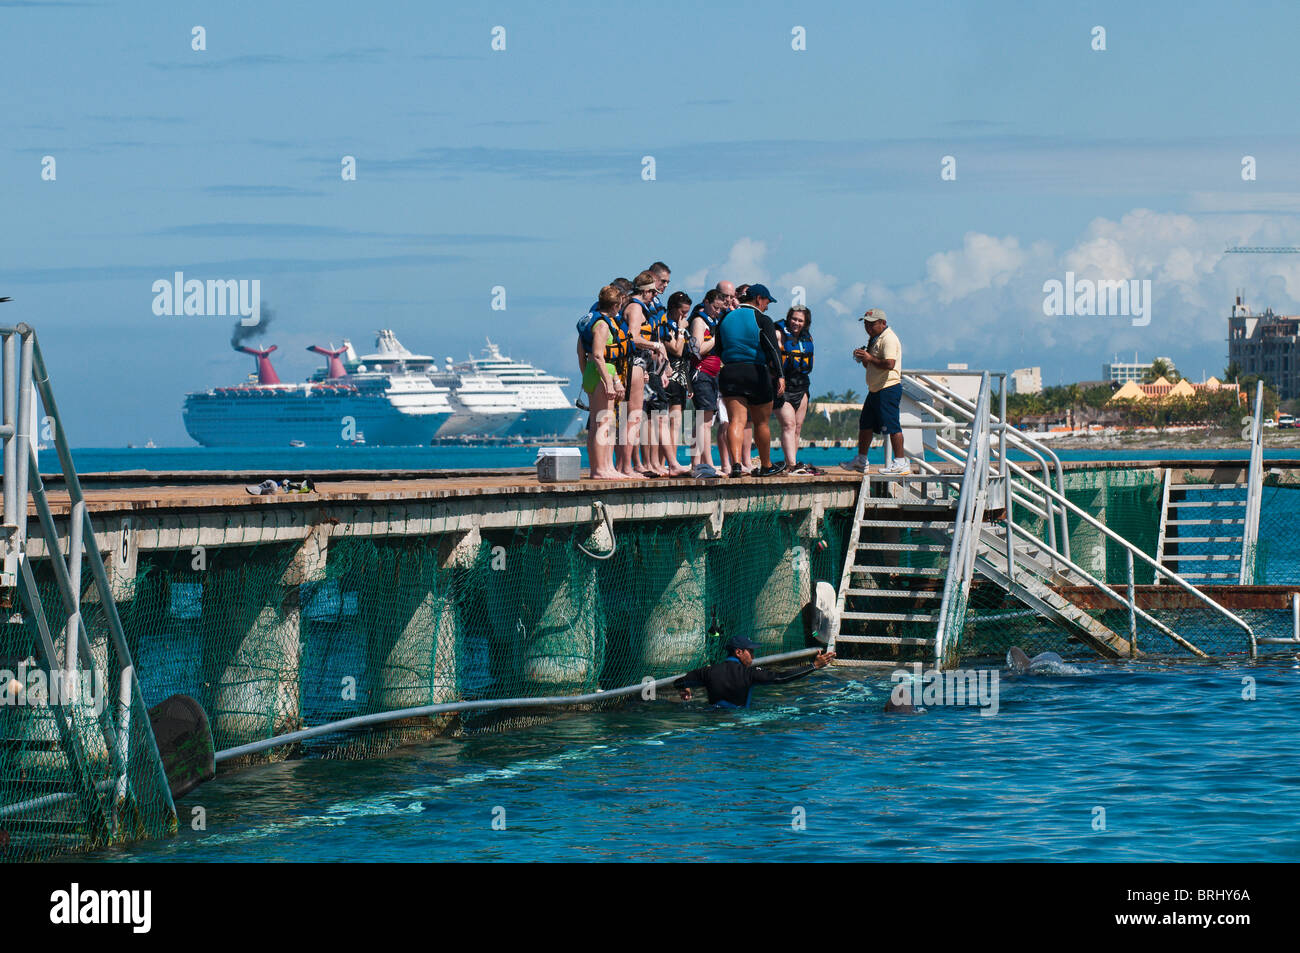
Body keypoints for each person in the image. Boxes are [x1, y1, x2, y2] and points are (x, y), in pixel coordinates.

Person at [714, 283, 786, 478]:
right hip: (756, 372)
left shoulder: (726, 318)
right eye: (767, 302)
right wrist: (780, 375)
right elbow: (773, 349)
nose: (768, 306)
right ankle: (766, 465)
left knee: (736, 420)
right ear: (758, 299)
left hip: (730, 372)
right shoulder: (762, 319)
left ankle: (735, 465)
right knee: (761, 422)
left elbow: (718, 348)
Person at [674, 634, 835, 708]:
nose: (753, 654)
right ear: (738, 652)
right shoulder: (749, 674)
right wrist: (814, 666)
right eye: (750, 651)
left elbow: (679, 682)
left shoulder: (707, 672)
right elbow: (781, 678)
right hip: (739, 723)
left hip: (712, 720)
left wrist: (686, 687)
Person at [842, 308, 909, 474]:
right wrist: (863, 358)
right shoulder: (874, 338)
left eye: (872, 324)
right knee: (865, 424)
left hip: (888, 388)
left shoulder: (889, 339)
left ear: (883, 323)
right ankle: (861, 460)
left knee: (892, 425)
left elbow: (890, 364)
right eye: (866, 324)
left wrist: (870, 358)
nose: (868, 327)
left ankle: (901, 462)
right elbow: (870, 364)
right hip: (874, 389)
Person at [622, 271, 670, 478]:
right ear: (645, 291)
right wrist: (655, 344)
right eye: (652, 291)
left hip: (642, 364)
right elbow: (633, 336)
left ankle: (630, 466)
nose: (653, 295)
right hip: (634, 363)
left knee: (635, 417)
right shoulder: (635, 308)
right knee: (632, 418)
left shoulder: (639, 307)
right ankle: (626, 467)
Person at [581, 285, 630, 479]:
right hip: (603, 375)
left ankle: (604, 467)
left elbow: (581, 353)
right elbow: (598, 355)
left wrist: (587, 375)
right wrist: (610, 383)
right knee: (604, 424)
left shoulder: (590, 321)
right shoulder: (602, 325)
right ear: (616, 305)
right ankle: (600, 469)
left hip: (593, 374)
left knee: (597, 423)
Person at [688, 289, 728, 477]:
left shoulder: (715, 321)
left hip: (713, 375)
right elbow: (698, 349)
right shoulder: (699, 321)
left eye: (720, 309)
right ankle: (708, 464)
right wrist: (715, 339)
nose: (716, 312)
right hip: (701, 373)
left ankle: (696, 464)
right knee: (704, 422)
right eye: (714, 307)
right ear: (706, 302)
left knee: (703, 422)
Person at [655, 290, 694, 476]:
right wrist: (680, 329)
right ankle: (662, 463)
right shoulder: (668, 325)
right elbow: (676, 350)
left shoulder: (680, 325)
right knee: (664, 421)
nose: (684, 316)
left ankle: (673, 461)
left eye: (687, 312)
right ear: (673, 309)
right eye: (682, 312)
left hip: (680, 377)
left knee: (676, 422)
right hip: (666, 376)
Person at [774, 306, 815, 473]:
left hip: (802, 385)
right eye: (793, 319)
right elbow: (774, 359)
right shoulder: (779, 335)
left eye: (800, 320)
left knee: (797, 427)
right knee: (788, 424)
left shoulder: (807, 338)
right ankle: (791, 465)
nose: (796, 323)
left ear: (805, 323)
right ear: (788, 318)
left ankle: (791, 463)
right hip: (782, 386)